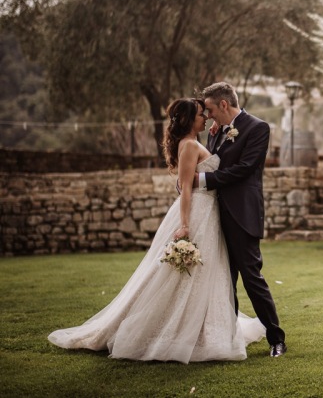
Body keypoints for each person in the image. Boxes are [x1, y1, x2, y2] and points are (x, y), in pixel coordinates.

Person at [48, 98, 266, 363]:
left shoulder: (199, 141)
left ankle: (203, 329)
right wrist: (185, 225)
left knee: (204, 275)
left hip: (209, 213)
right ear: (188, 120)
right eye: (200, 114)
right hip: (196, 212)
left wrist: (216, 136)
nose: (206, 117)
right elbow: (185, 188)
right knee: (181, 275)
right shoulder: (189, 146)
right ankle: (173, 330)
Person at [197, 82, 287, 357]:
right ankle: (229, 338)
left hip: (242, 214)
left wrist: (201, 180)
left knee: (251, 277)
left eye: (210, 109)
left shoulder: (258, 128)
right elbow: (216, 160)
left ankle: (277, 339)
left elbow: (245, 169)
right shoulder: (215, 133)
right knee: (224, 279)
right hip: (215, 215)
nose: (208, 115)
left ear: (224, 104)